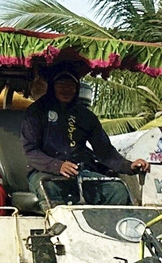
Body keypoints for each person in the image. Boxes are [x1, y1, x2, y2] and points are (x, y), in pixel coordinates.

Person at [21, 67, 150, 206]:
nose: (67, 89)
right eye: (61, 84)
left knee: (117, 190)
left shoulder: (85, 116)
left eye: (71, 86)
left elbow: (105, 152)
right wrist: (58, 166)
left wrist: (129, 166)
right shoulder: (36, 111)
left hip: (80, 174)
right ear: (52, 86)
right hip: (44, 174)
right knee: (50, 190)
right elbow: (31, 151)